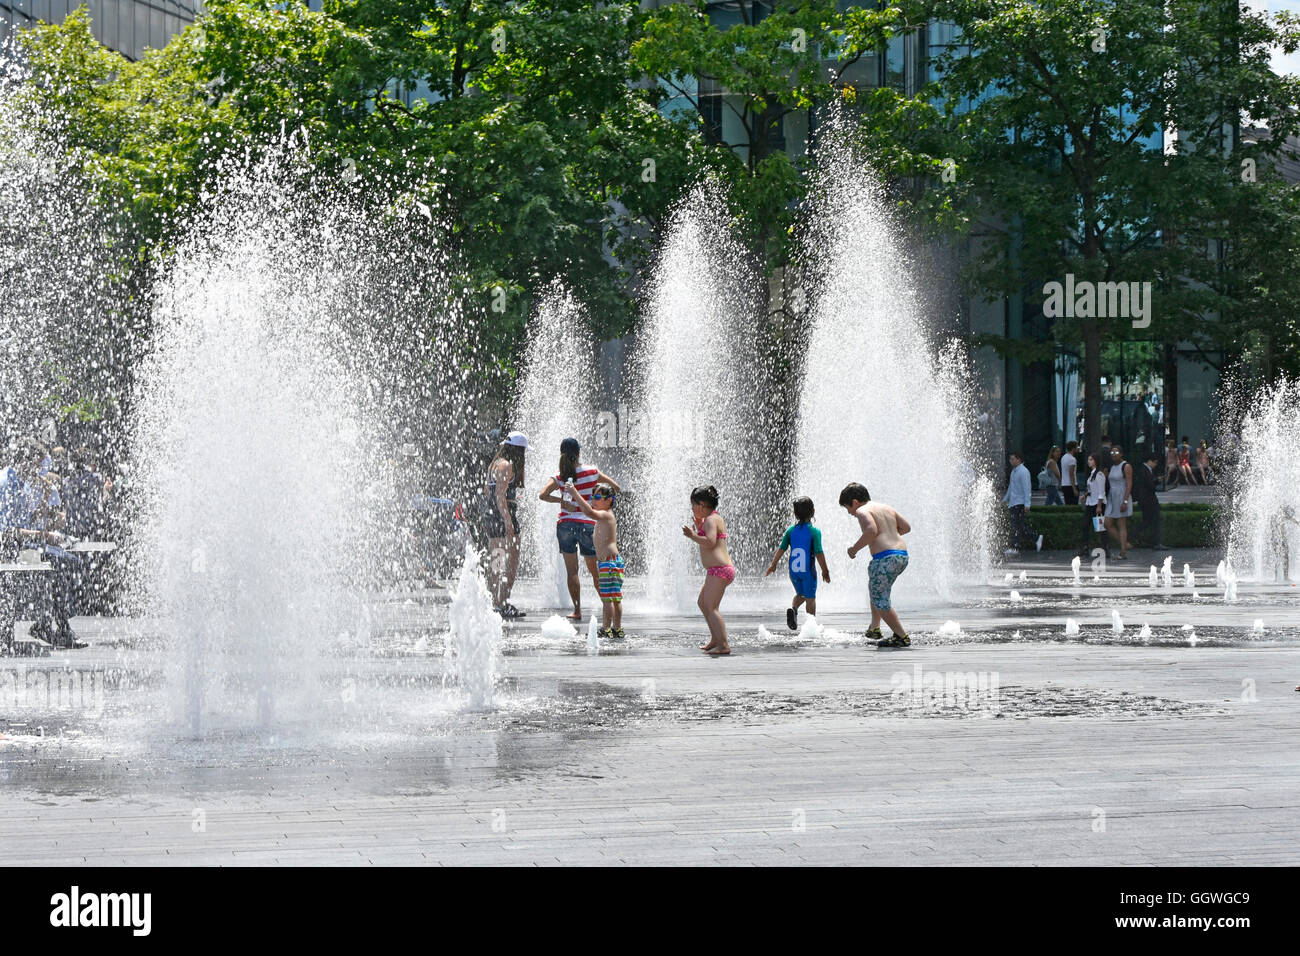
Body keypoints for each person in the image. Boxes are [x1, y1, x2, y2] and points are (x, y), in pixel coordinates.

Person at [0, 439, 84, 648]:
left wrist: (50, 511)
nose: (40, 471)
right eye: (38, 465)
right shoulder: (5, 484)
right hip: (9, 549)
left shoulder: (23, 482)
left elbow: (30, 520)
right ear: (25, 462)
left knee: (71, 562)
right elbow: (6, 532)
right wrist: (44, 535)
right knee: (61, 563)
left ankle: (49, 623)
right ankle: (57, 628)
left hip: (24, 546)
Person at [537, 438, 620, 622]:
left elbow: (542, 495)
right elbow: (616, 487)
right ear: (578, 453)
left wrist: (562, 502)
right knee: (595, 570)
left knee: (572, 571)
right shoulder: (592, 471)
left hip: (565, 524)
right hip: (588, 526)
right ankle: (609, 605)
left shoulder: (559, 476)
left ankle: (577, 609)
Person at [839, 482, 912, 648]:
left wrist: (854, 549)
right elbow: (906, 527)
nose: (850, 513)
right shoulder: (886, 507)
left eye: (847, 508)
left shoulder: (862, 511)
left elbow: (871, 531)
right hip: (901, 556)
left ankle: (901, 636)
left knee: (879, 598)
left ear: (855, 502)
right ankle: (874, 628)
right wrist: (891, 533)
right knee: (876, 590)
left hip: (886, 558)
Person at [563, 480, 624, 639]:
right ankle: (616, 628)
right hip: (612, 561)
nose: (593, 500)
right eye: (592, 497)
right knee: (615, 598)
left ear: (609, 500)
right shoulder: (606, 516)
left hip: (608, 562)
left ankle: (606, 628)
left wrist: (575, 493)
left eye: (597, 497)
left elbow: (588, 512)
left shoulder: (605, 514)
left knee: (607, 599)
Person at [681, 485, 734, 656]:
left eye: (693, 505)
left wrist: (693, 535)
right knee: (703, 603)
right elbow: (709, 538)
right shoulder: (711, 519)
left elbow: (710, 542)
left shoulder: (712, 519)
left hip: (720, 569)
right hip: (715, 570)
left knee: (711, 607)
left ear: (702, 505)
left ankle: (723, 644)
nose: (692, 508)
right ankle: (716, 638)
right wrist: (699, 528)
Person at [764, 496, 830, 630]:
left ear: (795, 514)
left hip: (793, 571)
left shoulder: (790, 530)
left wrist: (773, 564)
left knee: (800, 594)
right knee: (810, 598)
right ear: (813, 511)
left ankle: (793, 609)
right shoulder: (814, 531)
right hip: (808, 572)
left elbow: (781, 548)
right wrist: (825, 570)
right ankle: (811, 626)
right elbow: (818, 552)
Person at [485, 431, 528, 618]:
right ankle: (502, 601)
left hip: (492, 515)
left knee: (496, 559)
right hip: (504, 515)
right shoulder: (507, 465)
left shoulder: (494, 464)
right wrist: (508, 522)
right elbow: (500, 495)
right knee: (511, 560)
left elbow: (489, 492)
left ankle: (494, 602)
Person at [1001, 452, 1040, 555]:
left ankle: (1015, 547)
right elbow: (1011, 487)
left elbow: (1027, 488)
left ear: (1019, 460)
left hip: (1020, 502)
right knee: (1018, 526)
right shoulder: (1014, 472)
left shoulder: (1023, 472)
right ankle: (1035, 538)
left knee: (1017, 526)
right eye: (1010, 459)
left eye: (1013, 459)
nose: (1011, 461)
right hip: (1014, 502)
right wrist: (1006, 499)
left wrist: (1027, 503)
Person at [1104, 443, 1134, 560]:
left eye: (1116, 452)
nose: (1114, 455)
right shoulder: (1112, 467)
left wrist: (1125, 501)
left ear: (1121, 454)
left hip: (1122, 496)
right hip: (1112, 496)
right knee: (1107, 523)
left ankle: (1123, 552)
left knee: (1121, 524)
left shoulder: (1126, 466)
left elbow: (1129, 483)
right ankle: (1124, 544)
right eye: (1112, 453)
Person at [1131, 452, 1166, 549]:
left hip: (1145, 500)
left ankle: (1135, 536)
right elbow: (1149, 485)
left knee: (1147, 521)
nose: (1155, 465)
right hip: (1148, 500)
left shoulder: (1144, 469)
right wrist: (1157, 481)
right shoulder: (1144, 470)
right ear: (1149, 461)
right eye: (1155, 462)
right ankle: (1155, 542)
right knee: (1154, 520)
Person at [1080, 452, 1110, 559]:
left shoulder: (1099, 474)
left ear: (1095, 461)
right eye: (1089, 459)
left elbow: (1101, 492)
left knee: (1100, 527)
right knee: (1085, 525)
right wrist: (1085, 495)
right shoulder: (1092, 474)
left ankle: (1105, 549)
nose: (1089, 461)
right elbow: (1092, 489)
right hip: (1090, 502)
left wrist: (1099, 506)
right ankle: (1085, 548)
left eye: (1091, 459)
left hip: (1097, 504)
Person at [1061, 441, 1079, 505]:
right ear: (1073, 448)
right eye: (1077, 447)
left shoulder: (1063, 457)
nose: (1078, 448)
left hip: (1064, 484)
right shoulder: (1072, 459)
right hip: (1071, 486)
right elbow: (1071, 474)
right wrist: (1074, 489)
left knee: (1068, 505)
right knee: (1074, 505)